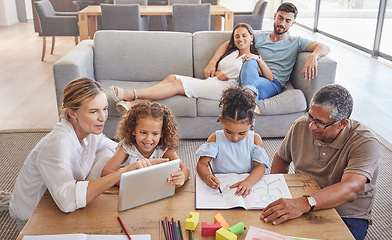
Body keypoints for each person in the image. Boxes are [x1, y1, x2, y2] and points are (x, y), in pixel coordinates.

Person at [9, 77, 167, 231]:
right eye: (93, 112)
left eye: (104, 109)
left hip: (59, 200)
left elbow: (123, 150)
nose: (102, 117)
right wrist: (122, 173)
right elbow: (66, 202)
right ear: (72, 113)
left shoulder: (91, 133)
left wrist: (152, 159)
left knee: (108, 154)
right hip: (35, 217)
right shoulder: (58, 143)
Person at [261, 84, 380, 240]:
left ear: (343, 124)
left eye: (319, 122)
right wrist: (277, 192)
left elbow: (350, 189)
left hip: (346, 214)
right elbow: (281, 158)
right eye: (310, 116)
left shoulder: (365, 142)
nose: (311, 125)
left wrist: (304, 203)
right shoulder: (301, 125)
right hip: (301, 198)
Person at [110, 23, 273, 113]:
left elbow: (267, 78)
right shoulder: (232, 52)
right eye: (237, 36)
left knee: (177, 85)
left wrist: (258, 59)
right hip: (215, 81)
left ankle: (132, 94)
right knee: (172, 77)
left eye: (244, 35)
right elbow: (218, 63)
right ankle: (136, 104)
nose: (240, 39)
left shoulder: (252, 60)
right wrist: (217, 71)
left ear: (251, 37)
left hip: (227, 89)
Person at [204, 2, 331, 100]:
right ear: (275, 17)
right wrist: (212, 63)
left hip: (272, 83)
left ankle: (247, 98)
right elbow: (229, 43)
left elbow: (325, 47)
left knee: (248, 71)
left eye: (288, 21)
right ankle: (250, 101)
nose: (282, 23)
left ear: (293, 23)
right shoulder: (259, 37)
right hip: (250, 77)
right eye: (280, 18)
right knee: (250, 60)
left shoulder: (296, 41)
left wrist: (314, 55)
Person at [196, 87, 270, 197]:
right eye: (229, 131)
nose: (235, 138)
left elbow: (260, 167)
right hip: (221, 187)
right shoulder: (215, 138)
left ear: (251, 124)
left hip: (247, 186)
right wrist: (207, 176)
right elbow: (202, 164)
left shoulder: (254, 139)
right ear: (221, 121)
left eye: (241, 133)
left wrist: (248, 182)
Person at [101, 100, 190, 187]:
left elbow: (184, 170)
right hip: (132, 190)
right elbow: (106, 173)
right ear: (133, 130)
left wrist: (182, 177)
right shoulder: (127, 148)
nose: (148, 139)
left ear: (162, 133)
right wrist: (127, 183)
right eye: (143, 132)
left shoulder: (164, 148)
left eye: (155, 134)